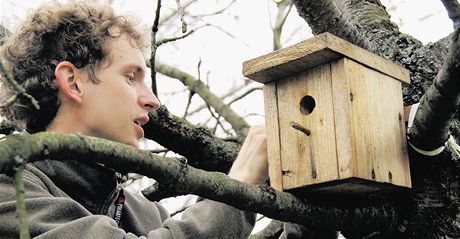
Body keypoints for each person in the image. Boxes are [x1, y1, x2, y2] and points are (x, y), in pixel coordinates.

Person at [0, 1, 268, 238]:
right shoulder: (10, 189)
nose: (153, 100)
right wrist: (238, 191)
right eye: (130, 77)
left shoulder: (148, 214)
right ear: (72, 81)